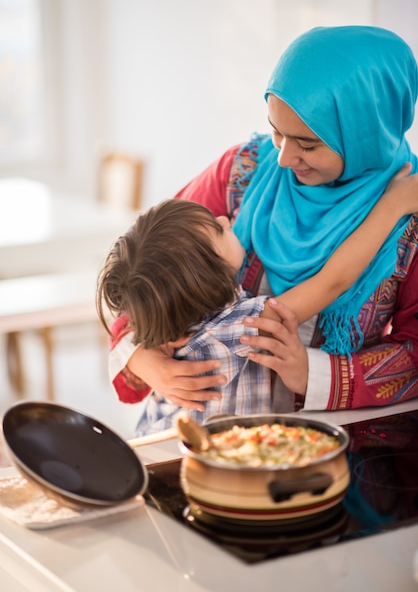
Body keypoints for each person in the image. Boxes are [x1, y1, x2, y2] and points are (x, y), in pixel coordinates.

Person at [107, 25, 418, 426]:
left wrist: (313, 374)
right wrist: (141, 356)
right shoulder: (244, 168)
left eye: (307, 144)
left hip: (338, 443)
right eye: (276, 131)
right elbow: (147, 268)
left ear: (365, 130)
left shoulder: (410, 211)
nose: (285, 159)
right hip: (221, 452)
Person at [99, 170, 417, 433]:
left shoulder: (165, 322)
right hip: (197, 461)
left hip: (160, 445)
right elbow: (333, 281)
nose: (225, 219)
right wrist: (393, 206)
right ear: (211, 276)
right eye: (217, 231)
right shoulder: (242, 326)